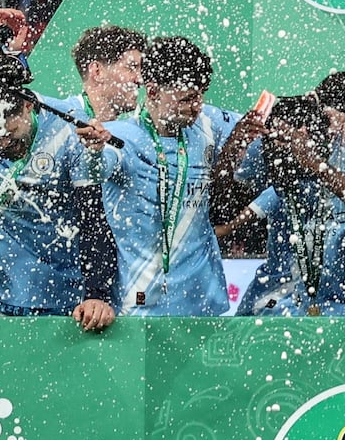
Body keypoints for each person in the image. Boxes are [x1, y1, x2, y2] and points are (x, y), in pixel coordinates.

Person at [219, 70, 345, 317]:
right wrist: (237, 141)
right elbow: (223, 196)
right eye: (270, 147)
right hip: (298, 303)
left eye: (283, 146)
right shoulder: (272, 137)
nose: (275, 154)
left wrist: (315, 165)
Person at [0, 73, 119, 332]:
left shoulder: (70, 131)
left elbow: (94, 219)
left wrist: (97, 294)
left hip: (49, 299)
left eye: (11, 132)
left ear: (28, 105)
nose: (4, 144)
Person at [96, 36, 249, 316]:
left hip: (204, 303)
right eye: (187, 98)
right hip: (140, 305)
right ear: (152, 91)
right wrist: (93, 151)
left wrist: (241, 143)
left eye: (202, 94)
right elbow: (94, 170)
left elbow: (267, 138)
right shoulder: (119, 136)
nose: (198, 104)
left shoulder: (208, 123)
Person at [49, 25, 147, 123]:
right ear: (97, 72)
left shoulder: (132, 131)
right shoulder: (54, 118)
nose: (141, 79)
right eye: (131, 67)